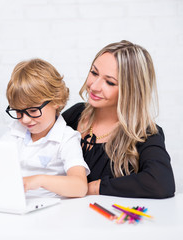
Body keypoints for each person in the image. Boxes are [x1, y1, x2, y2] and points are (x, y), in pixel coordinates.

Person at [62, 40, 175, 198]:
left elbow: (161, 183)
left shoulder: (144, 133)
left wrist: (93, 187)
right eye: (94, 73)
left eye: (109, 82)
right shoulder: (75, 115)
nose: (94, 86)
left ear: (131, 91)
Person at [1, 58, 89, 198]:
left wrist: (39, 180)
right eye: (18, 111)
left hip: (51, 209)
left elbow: (80, 187)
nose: (25, 119)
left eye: (33, 111)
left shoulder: (66, 138)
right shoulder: (15, 132)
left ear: (57, 101)